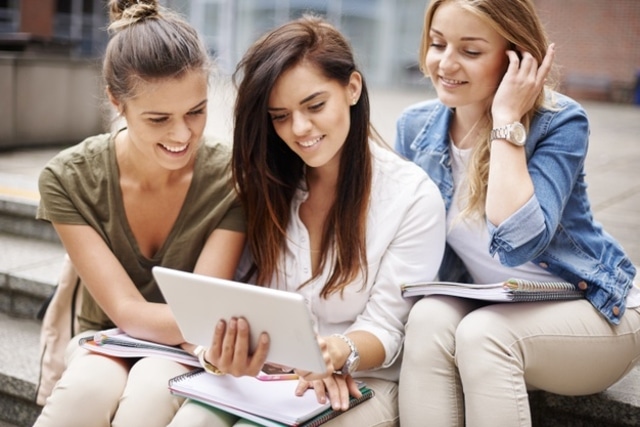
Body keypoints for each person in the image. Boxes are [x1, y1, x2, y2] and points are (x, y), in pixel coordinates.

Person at [169, 15, 446, 427]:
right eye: (280, 116)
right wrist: (221, 352)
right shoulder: (267, 185)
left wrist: (337, 353)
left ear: (352, 89)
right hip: (266, 379)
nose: (299, 129)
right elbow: (230, 298)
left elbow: (387, 327)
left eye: (315, 105)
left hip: (361, 383)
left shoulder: (411, 196)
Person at [394, 0, 640, 426]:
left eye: (470, 51)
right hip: (499, 308)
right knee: (428, 315)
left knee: (484, 334)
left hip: (598, 313)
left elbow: (519, 240)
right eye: (437, 44)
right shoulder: (415, 128)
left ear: (517, 58)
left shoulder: (559, 122)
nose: (446, 63)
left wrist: (506, 119)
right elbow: (398, 242)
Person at [33, 1, 246, 426]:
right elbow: (126, 311)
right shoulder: (68, 178)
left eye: (196, 112)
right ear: (117, 102)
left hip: (185, 349)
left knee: (151, 391)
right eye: (159, 118)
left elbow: (200, 311)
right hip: (105, 337)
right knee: (85, 391)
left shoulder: (232, 179)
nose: (182, 134)